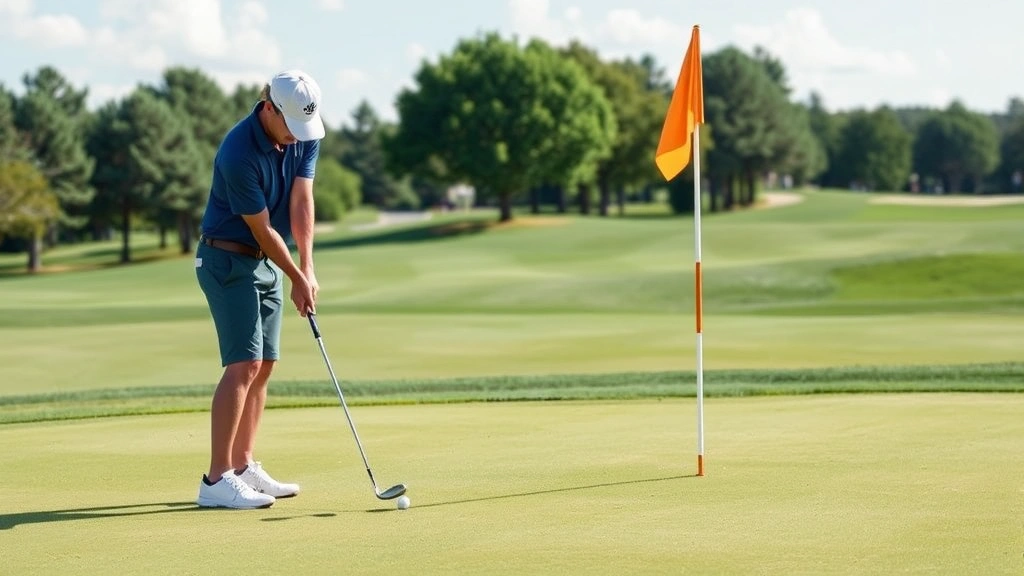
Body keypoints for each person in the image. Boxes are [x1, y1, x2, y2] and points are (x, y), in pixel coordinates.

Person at [194, 69, 325, 509]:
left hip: (264, 261)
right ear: (269, 107)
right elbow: (264, 228)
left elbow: (301, 200)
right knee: (243, 364)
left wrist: (307, 265)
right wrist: (296, 277)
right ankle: (216, 480)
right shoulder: (237, 151)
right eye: (289, 125)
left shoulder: (304, 132)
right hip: (226, 257)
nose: (296, 136)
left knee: (265, 364)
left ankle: (243, 464)